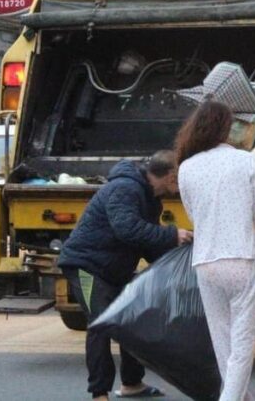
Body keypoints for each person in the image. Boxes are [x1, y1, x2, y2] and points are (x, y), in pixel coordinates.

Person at [58, 151, 193, 400]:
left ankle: (132, 384)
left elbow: (144, 243)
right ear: (172, 177)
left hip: (112, 267)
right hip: (86, 265)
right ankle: (100, 393)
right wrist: (171, 235)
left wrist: (178, 259)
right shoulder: (126, 188)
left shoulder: (151, 198)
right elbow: (127, 229)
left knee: (132, 319)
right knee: (101, 324)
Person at [175, 101, 255, 401]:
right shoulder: (246, 161)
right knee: (242, 347)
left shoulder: (186, 167)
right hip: (242, 258)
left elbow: (193, 215)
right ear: (227, 128)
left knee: (223, 343)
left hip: (205, 262)